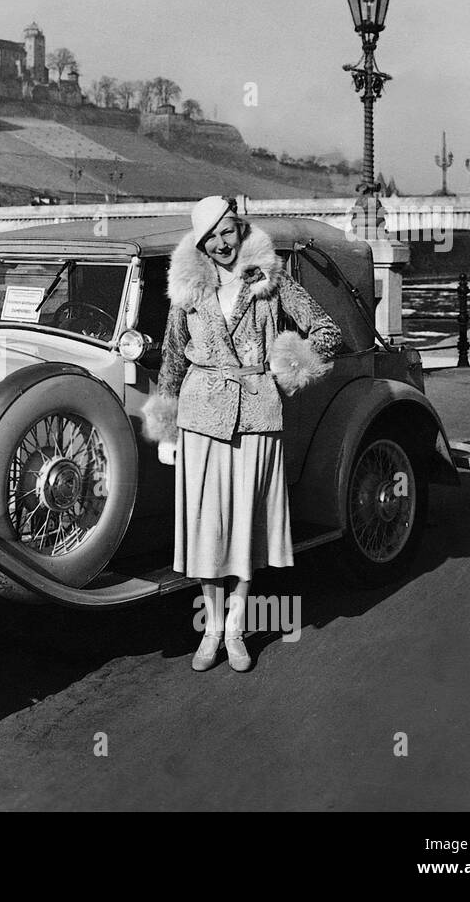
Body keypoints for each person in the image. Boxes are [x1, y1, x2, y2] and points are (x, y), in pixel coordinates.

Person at [142, 196, 342, 672]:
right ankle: (211, 628)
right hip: (201, 417)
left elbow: (327, 332)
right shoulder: (188, 287)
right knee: (206, 529)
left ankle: (235, 630)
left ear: (239, 227)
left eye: (227, 231)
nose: (221, 243)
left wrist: (284, 369)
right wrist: (166, 427)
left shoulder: (271, 281)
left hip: (256, 415)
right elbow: (171, 358)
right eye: (210, 237)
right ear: (200, 242)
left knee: (245, 528)